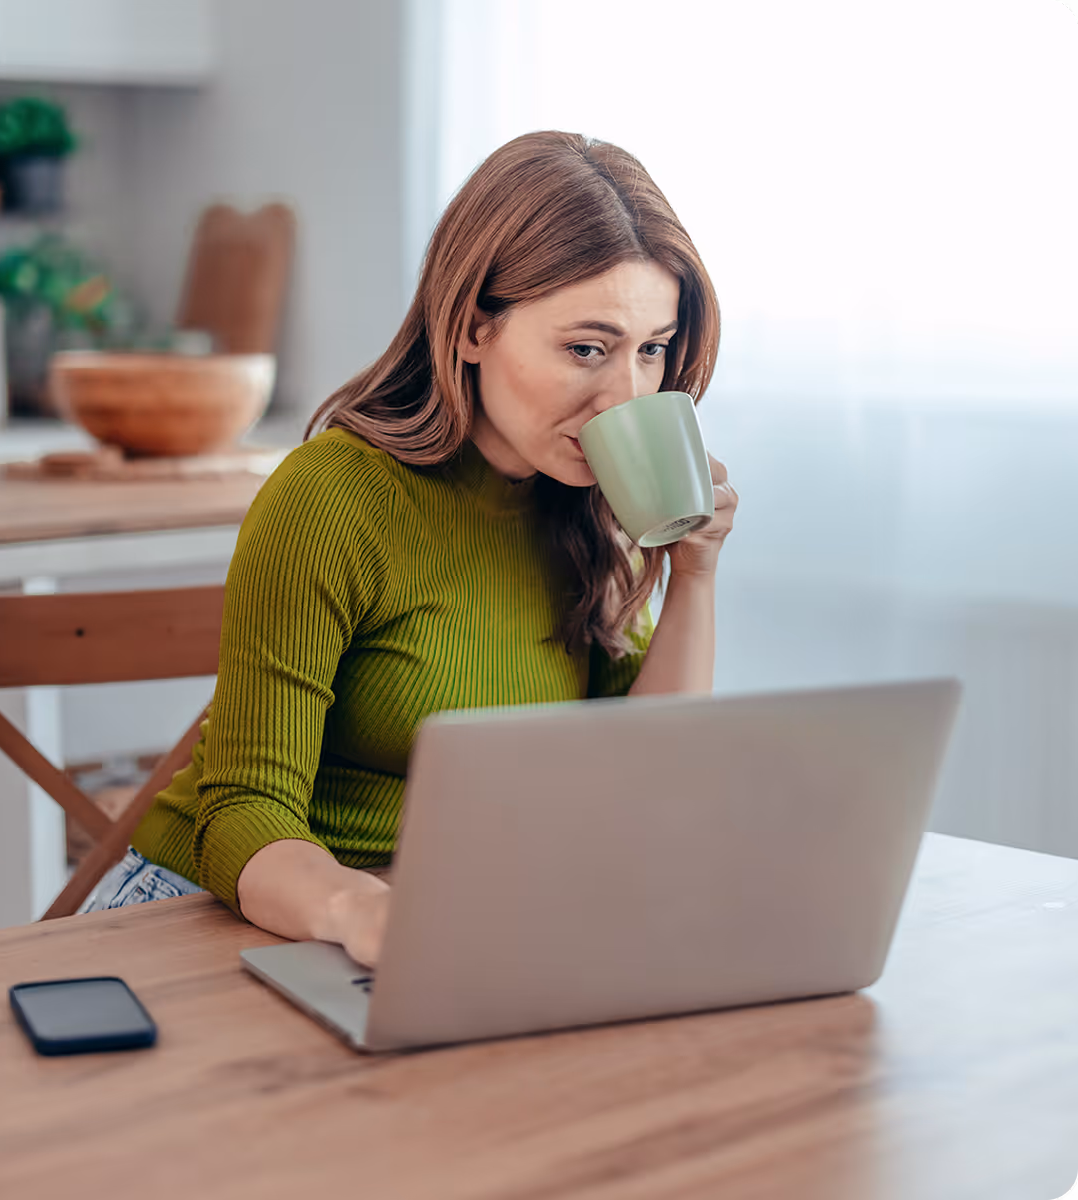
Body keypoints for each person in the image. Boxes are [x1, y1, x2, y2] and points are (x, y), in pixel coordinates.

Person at [79, 130, 738, 967]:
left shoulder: (570, 503)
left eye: (652, 351)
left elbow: (644, 772)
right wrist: (367, 912)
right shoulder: (334, 499)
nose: (627, 396)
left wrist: (696, 575)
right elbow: (243, 809)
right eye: (587, 348)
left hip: (430, 922)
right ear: (470, 327)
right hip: (223, 917)